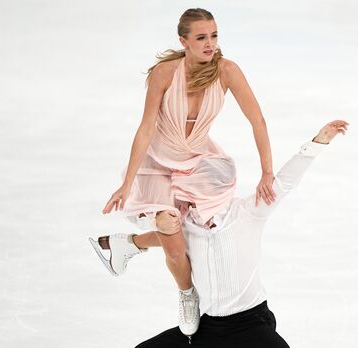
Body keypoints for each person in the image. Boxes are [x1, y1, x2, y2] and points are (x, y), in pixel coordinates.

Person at [90, 8, 276, 338]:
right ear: (183, 41)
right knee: (172, 235)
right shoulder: (165, 73)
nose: (210, 43)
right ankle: (187, 292)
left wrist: (267, 172)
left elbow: (257, 120)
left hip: (199, 164)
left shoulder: (227, 71)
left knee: (203, 232)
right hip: (158, 167)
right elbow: (146, 128)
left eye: (214, 36)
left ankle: (129, 244)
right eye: (202, 37)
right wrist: (126, 183)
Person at [94, 120, 349, 347]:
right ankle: (123, 245)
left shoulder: (248, 213)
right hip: (208, 328)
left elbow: (285, 183)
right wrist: (137, 235)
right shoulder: (184, 222)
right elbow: (159, 232)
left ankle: (125, 245)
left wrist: (318, 142)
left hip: (250, 324)